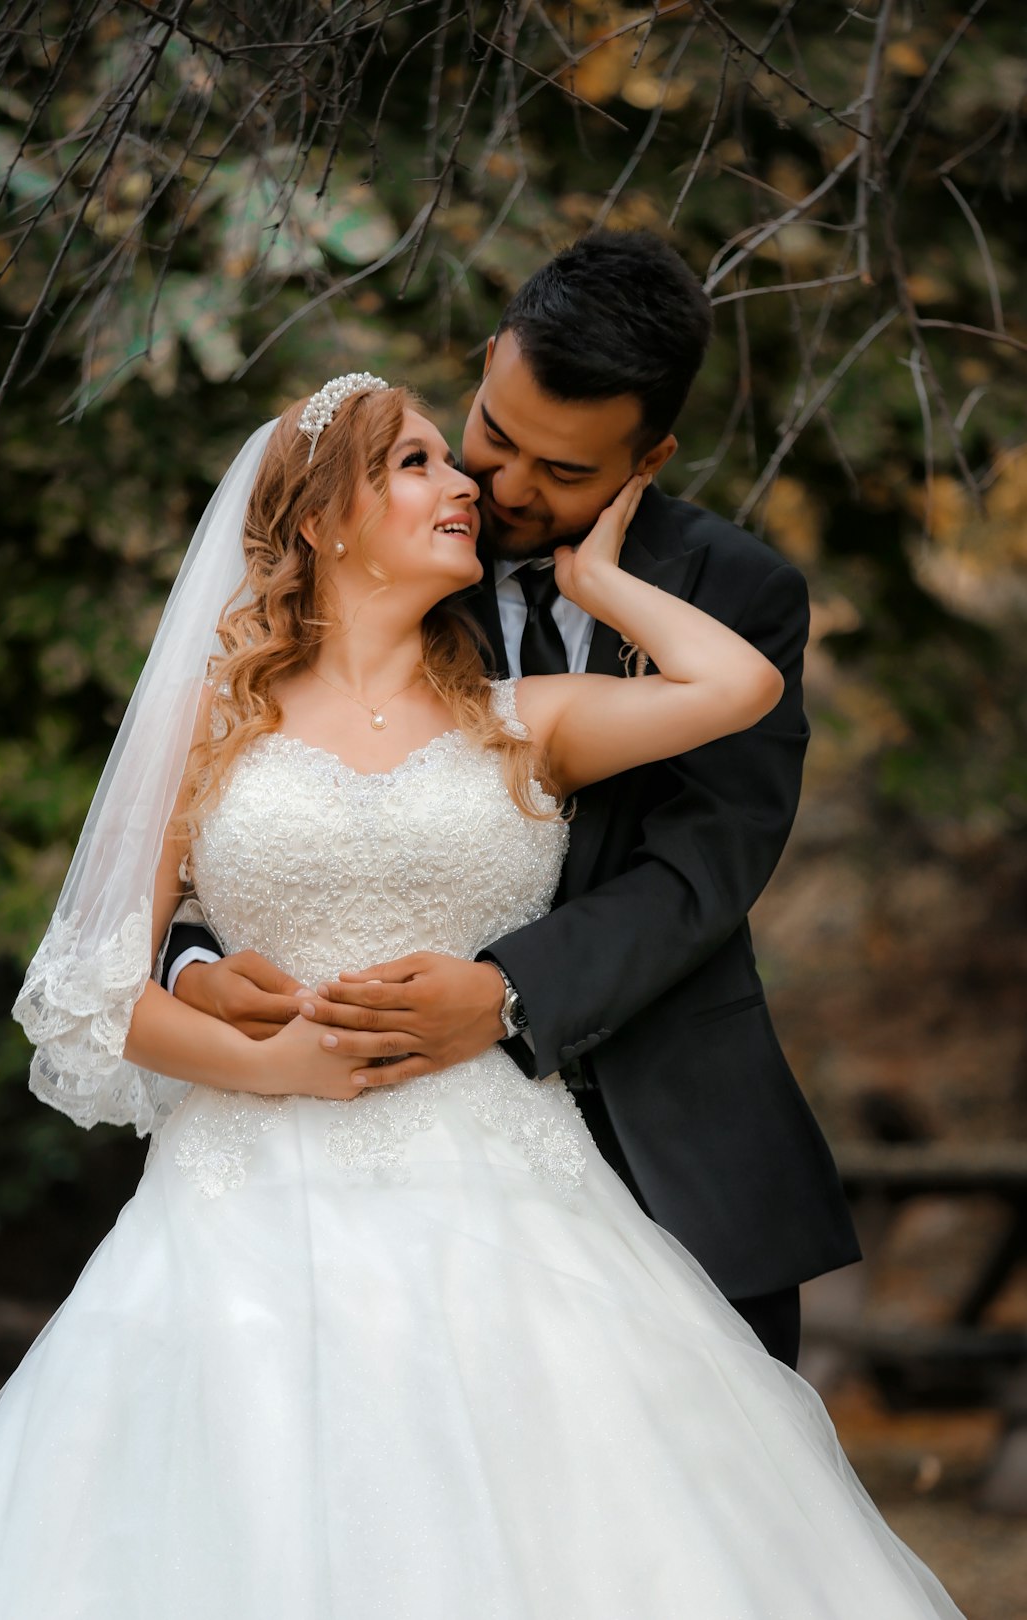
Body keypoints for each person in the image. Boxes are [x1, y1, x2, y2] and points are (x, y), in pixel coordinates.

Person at [0, 376, 963, 1617]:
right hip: (241, 1204)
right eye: (418, 465)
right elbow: (86, 996)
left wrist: (603, 582)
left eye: (448, 460)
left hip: (503, 1188)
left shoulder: (515, 722)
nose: (465, 486)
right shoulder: (214, 721)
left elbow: (739, 689)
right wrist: (275, 1068)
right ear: (323, 519)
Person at [163, 231, 860, 1368]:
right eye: (496, 435)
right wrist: (192, 963)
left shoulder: (737, 594)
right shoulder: (391, 545)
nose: (504, 489)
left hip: (662, 1130)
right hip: (360, 1161)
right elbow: (240, 806)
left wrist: (504, 994)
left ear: (652, 455)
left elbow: (703, 870)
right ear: (489, 362)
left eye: (567, 473)